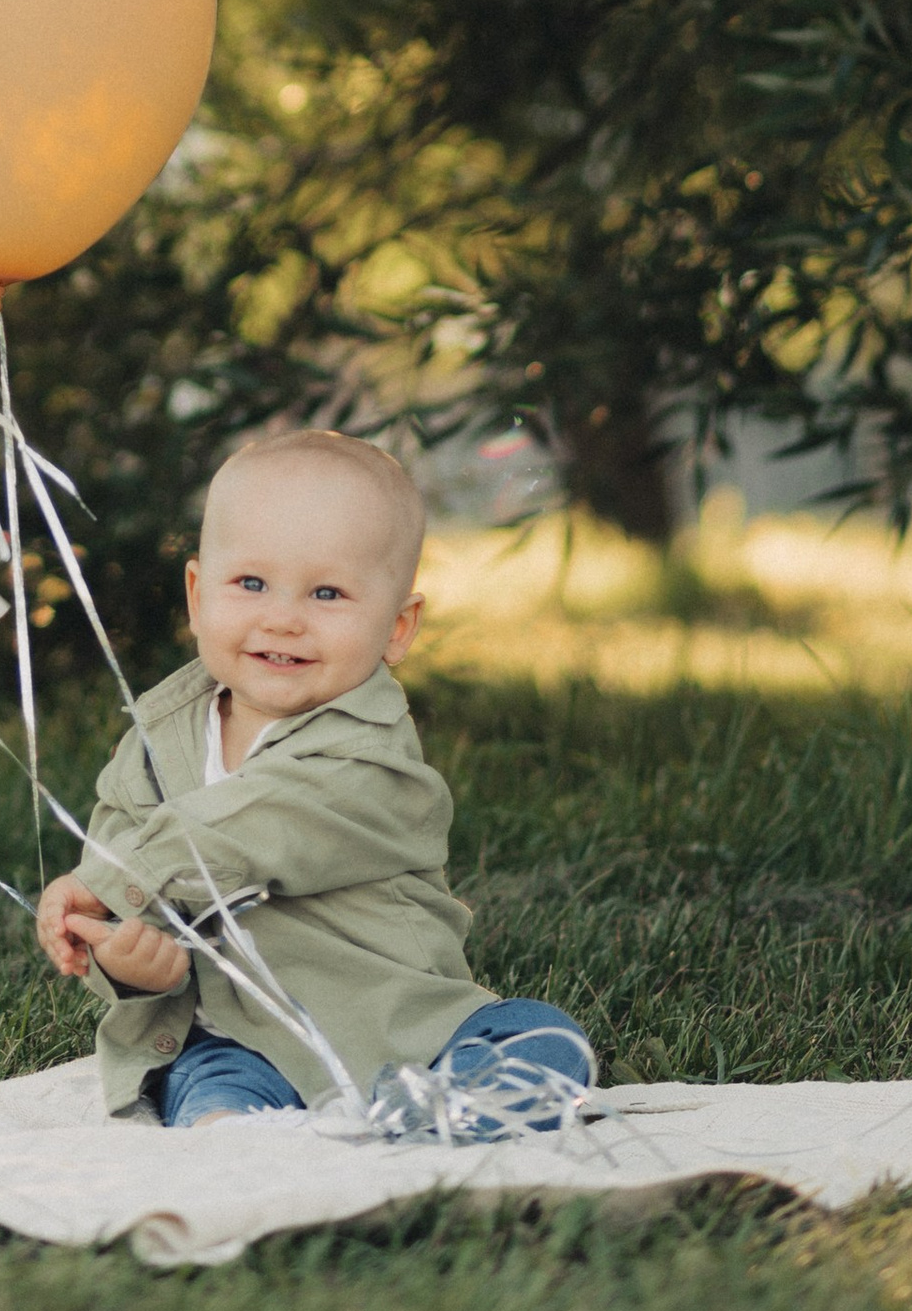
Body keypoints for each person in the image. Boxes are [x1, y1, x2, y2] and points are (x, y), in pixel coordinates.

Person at [34, 425, 594, 1126]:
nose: (284, 618)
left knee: (543, 1040)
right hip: (243, 1037)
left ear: (397, 626)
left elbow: (263, 822)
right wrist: (130, 958)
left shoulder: (372, 754)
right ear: (197, 594)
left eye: (327, 594)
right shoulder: (154, 744)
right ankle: (245, 1142)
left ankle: (432, 1117)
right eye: (251, 583)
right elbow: (118, 890)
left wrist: (119, 879)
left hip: (403, 1034)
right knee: (204, 1086)